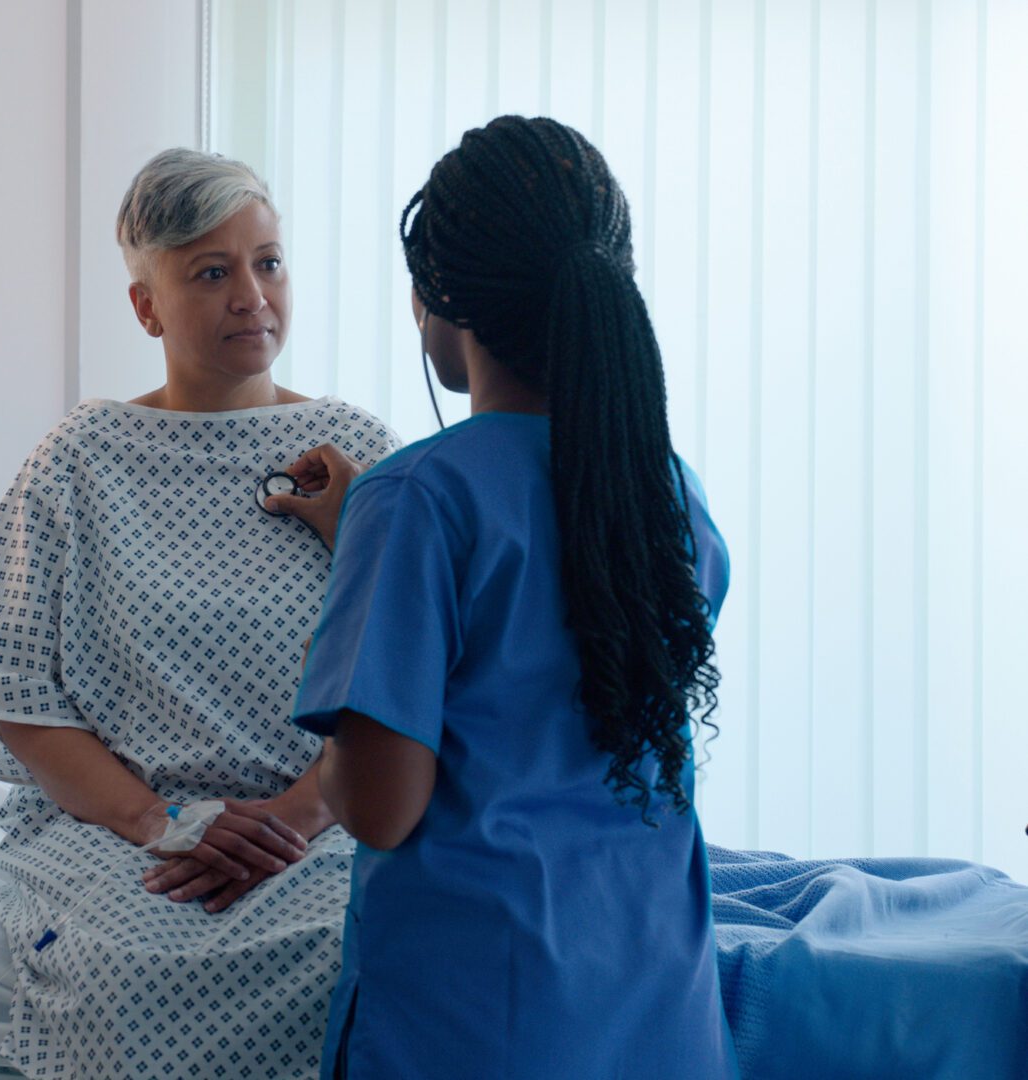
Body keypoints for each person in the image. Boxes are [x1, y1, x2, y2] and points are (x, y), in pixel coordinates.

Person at [271, 116, 739, 1078]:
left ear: (439, 304)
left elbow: (381, 809)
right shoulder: (668, 493)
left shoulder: (416, 503)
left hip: (476, 1025)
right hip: (659, 1016)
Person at [0, 148, 400, 1079]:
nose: (251, 296)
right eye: (211, 272)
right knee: (126, 976)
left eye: (268, 262)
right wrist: (161, 821)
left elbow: (415, 666)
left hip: (329, 819)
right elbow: (12, 690)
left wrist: (299, 816)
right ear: (146, 305)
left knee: (381, 948)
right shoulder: (82, 461)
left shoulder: (354, 453)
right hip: (120, 830)